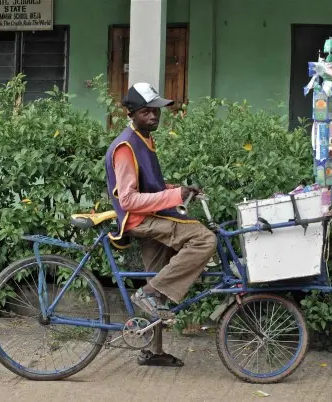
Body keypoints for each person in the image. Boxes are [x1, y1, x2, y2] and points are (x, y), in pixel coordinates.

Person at [104, 82, 217, 367]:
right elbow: (129, 199)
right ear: (131, 113)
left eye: (156, 110)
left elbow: (150, 187)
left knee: (157, 275)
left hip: (151, 216)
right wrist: (174, 195)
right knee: (204, 240)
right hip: (140, 220)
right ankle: (150, 293)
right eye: (146, 111)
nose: (154, 116)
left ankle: (153, 351)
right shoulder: (126, 147)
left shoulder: (144, 140)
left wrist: (179, 189)